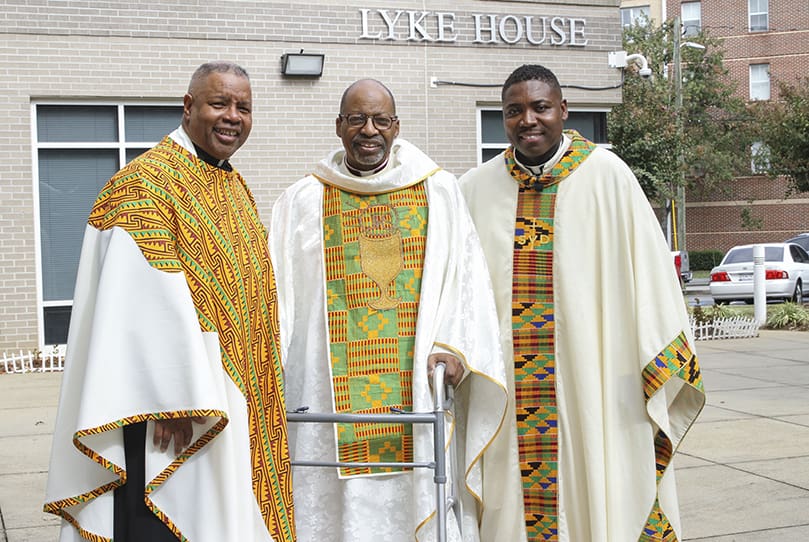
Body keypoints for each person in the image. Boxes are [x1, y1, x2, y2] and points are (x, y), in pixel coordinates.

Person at [43, 62, 295, 542]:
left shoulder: (231, 185)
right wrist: (173, 397)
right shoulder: (146, 183)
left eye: (243, 107)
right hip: (169, 416)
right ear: (188, 106)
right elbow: (135, 300)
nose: (232, 117)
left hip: (233, 397)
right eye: (219, 103)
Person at [458, 64, 706, 542]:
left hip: (595, 389)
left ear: (563, 111)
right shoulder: (474, 189)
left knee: (602, 494)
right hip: (508, 394)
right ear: (502, 118)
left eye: (539, 107)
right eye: (514, 111)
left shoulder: (608, 177)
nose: (527, 120)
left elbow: (651, 280)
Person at [269, 79, 506, 542]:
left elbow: (466, 278)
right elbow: (279, 294)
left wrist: (454, 345)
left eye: (380, 120)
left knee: (418, 491)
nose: (369, 130)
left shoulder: (437, 191)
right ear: (339, 126)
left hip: (414, 393)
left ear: (397, 126)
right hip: (324, 399)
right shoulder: (303, 200)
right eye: (357, 119)